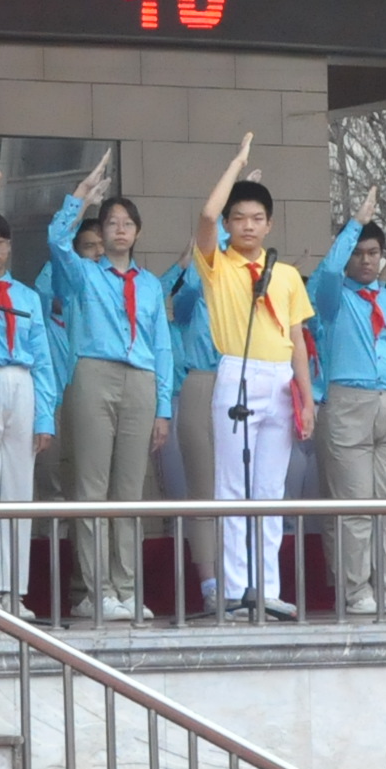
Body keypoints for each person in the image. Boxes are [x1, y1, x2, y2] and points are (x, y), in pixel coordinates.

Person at [191, 136, 316, 620]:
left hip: (280, 378)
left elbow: (298, 339)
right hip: (236, 371)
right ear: (228, 225)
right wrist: (237, 165)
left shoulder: (284, 274)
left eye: (256, 218)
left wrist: (306, 398)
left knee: (269, 490)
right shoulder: (218, 265)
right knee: (232, 486)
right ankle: (236, 588)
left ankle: (267, 587)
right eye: (239, 218)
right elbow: (204, 217)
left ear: (269, 224)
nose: (248, 225)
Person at [45, 168, 174, 620]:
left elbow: (162, 345)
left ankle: (126, 587)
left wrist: (164, 407)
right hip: (94, 373)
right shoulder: (84, 274)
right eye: (111, 223)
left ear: (137, 232)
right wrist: (80, 197)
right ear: (100, 232)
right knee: (91, 486)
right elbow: (58, 240)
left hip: (140, 378)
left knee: (129, 489)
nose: (119, 230)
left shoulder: (151, 284)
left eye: (127, 223)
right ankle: (95, 590)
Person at [308, 190, 386, 617]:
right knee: (354, 503)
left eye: (373, 253)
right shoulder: (333, 299)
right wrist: (354, 224)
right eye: (358, 253)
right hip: (347, 399)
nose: (366, 261)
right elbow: (326, 273)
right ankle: (357, 590)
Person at [0, 212, 61, 609]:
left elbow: (42, 357)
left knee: (18, 489)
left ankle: (14, 591)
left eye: (0, 242)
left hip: (21, 381)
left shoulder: (26, 295)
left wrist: (44, 416)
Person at [162, 247, 222, 614]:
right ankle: (211, 584)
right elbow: (178, 299)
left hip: (245, 378)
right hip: (202, 380)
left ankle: (249, 580)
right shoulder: (194, 294)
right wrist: (200, 261)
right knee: (204, 490)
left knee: (248, 490)